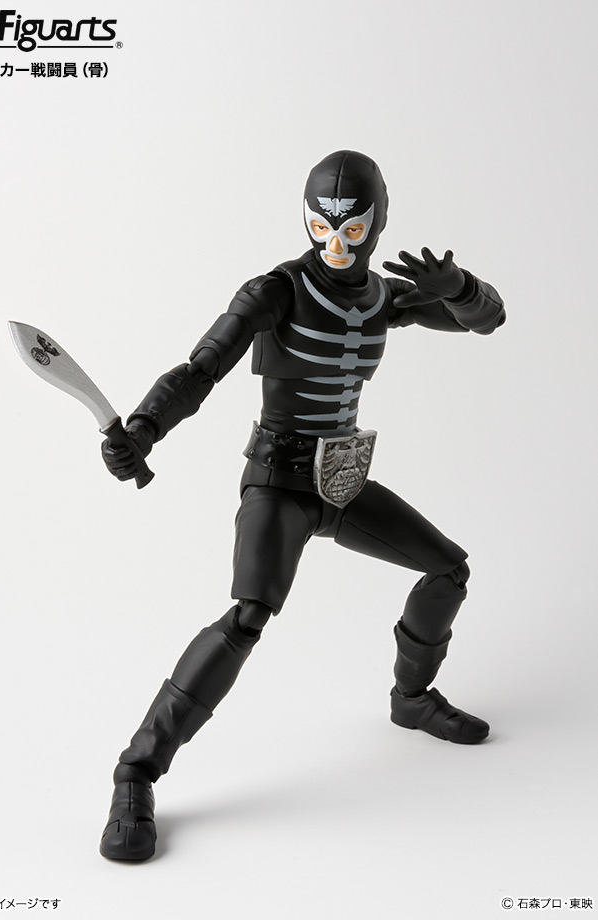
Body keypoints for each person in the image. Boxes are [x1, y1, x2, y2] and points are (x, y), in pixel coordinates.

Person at [99, 150, 506, 860]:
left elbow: (487, 320)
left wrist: (461, 286)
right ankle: (136, 771)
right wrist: (144, 428)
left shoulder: (383, 297)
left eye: (353, 227)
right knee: (248, 616)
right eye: (323, 225)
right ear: (306, 218)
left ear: (378, 222)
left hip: (341, 479)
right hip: (279, 479)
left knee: (449, 570)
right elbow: (201, 369)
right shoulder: (277, 291)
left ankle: (410, 700)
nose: (336, 241)